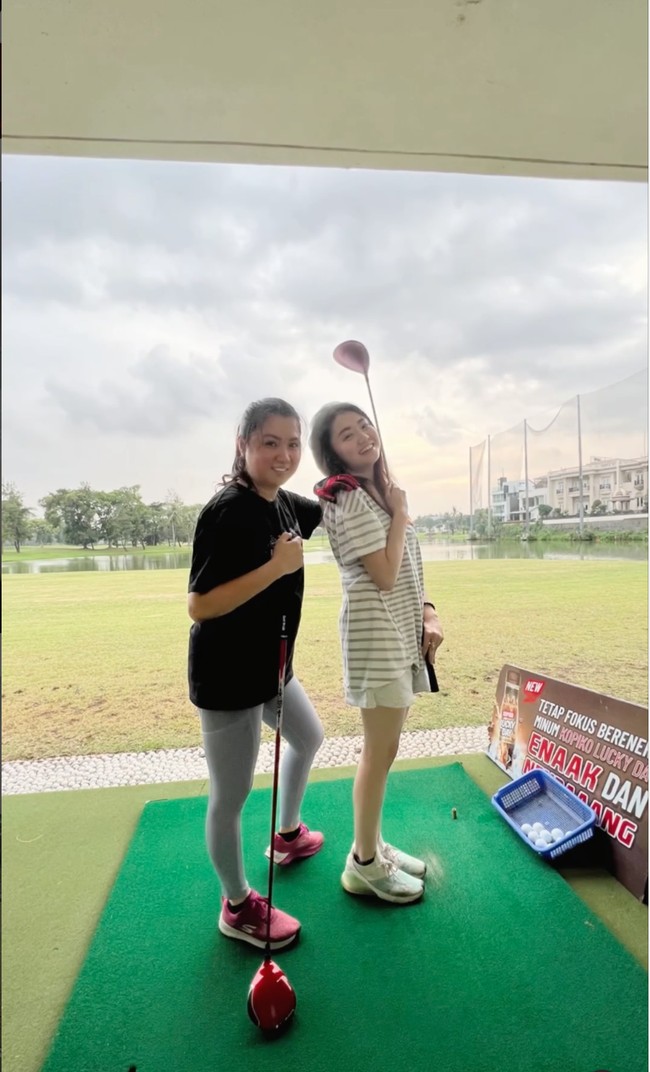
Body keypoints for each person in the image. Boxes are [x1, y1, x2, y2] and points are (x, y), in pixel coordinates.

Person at [188, 398, 324, 951]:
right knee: (233, 792)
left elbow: (328, 506)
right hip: (228, 678)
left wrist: (360, 479)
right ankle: (237, 904)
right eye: (270, 442)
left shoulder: (283, 503)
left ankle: (287, 835)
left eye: (293, 443)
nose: (284, 454)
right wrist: (275, 568)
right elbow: (200, 605)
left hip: (273, 669)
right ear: (243, 444)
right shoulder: (228, 510)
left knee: (309, 736)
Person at [309, 402, 444, 905]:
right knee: (378, 750)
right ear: (333, 453)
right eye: (347, 434)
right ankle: (364, 863)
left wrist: (429, 612)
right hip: (374, 639)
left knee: (385, 750)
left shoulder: (377, 494)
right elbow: (384, 575)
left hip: (398, 635)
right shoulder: (348, 499)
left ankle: (373, 845)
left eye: (364, 424)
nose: (363, 436)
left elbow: (407, 574)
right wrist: (403, 513)